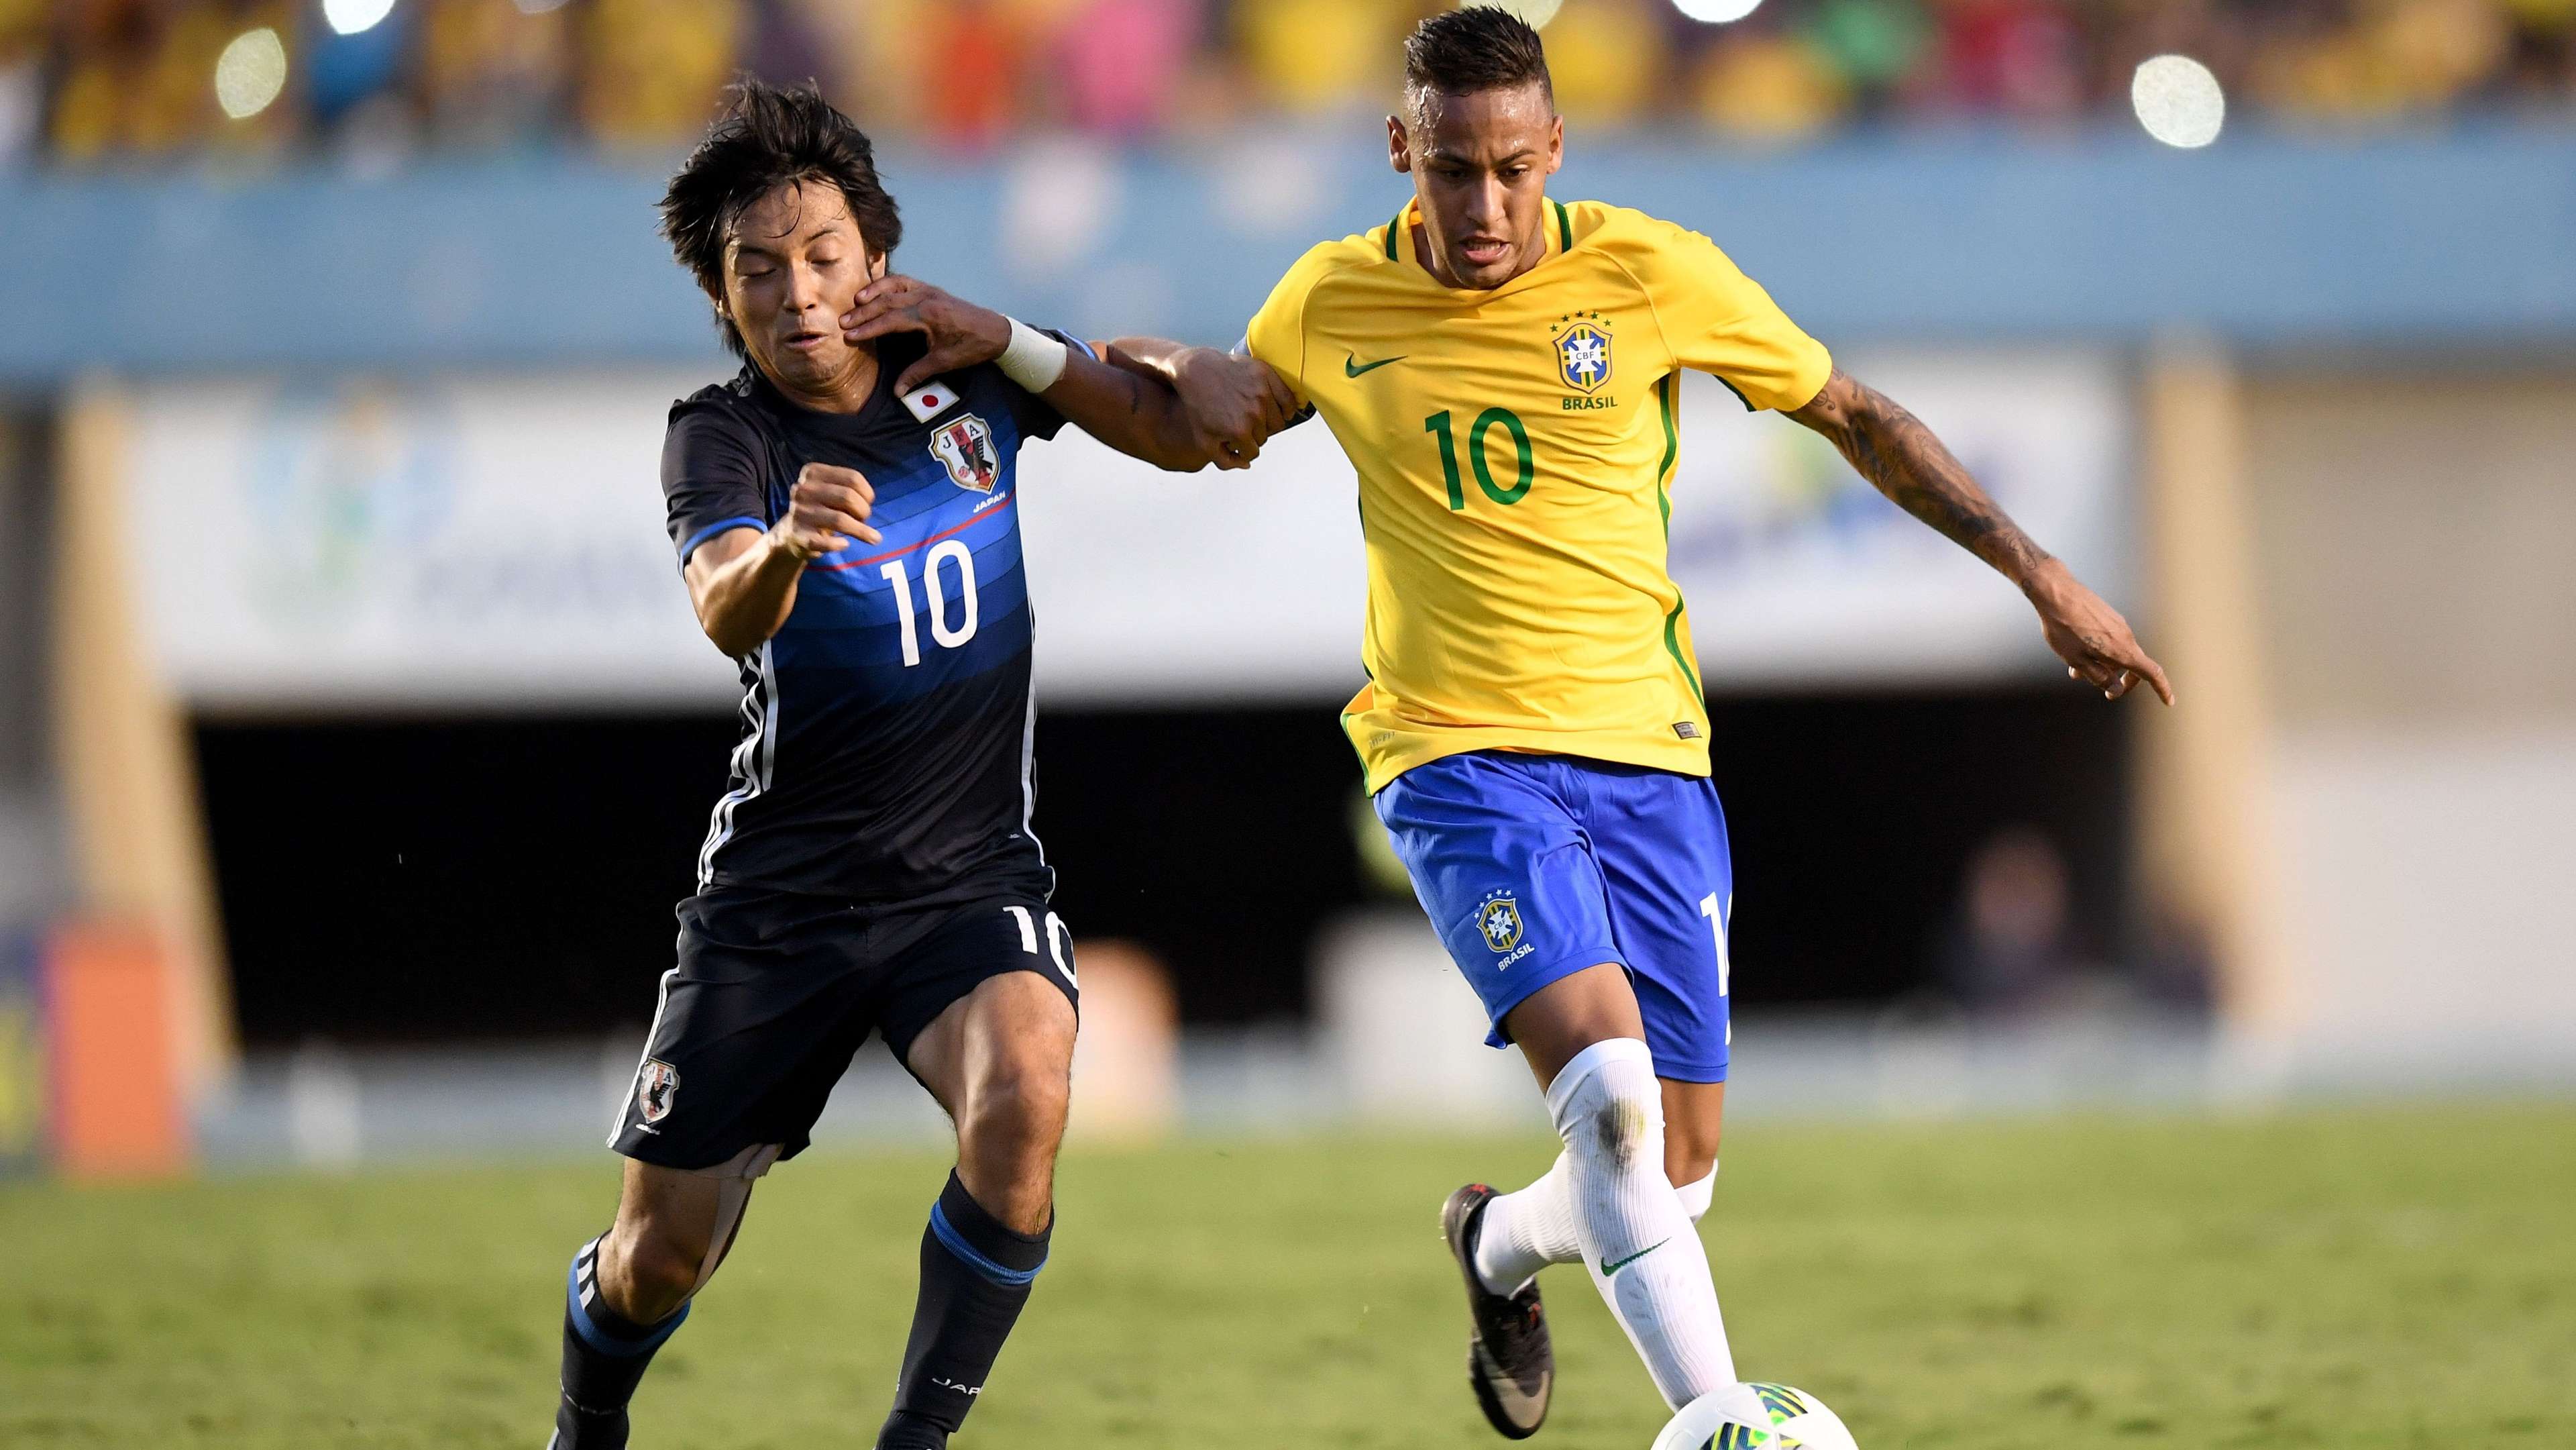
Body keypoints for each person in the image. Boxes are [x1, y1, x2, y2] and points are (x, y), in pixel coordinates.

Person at [839, 5, 2166, 1435]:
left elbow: (1855, 416)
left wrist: (2044, 576)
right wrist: (1018, 345)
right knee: (1608, 1103)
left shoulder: (1654, 271)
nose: (1485, 206)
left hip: (1652, 757)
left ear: (1554, 150)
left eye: (1514, 170)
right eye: (1453, 171)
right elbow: (1199, 426)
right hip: (1455, 757)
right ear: (1401, 147)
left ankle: (1494, 1242)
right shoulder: (1333, 299)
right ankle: (1723, 1420)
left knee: (1676, 1170)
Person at [546, 79, 1257, 1450]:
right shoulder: (725, 433)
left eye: (822, 257)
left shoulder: (961, 366)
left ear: (875, 253)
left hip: (962, 879)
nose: (799, 296)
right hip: (779, 902)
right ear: (723, 294)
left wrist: (1021, 340)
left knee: (1034, 1079)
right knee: (658, 1265)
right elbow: (721, 602)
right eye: (759, 272)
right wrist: (790, 552)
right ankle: (588, 1419)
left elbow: (1174, 434)